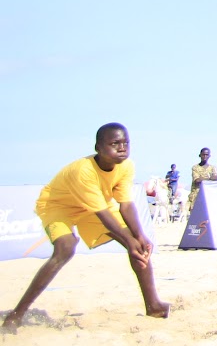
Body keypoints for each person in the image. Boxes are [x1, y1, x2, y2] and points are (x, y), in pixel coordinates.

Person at [4, 124, 169, 329]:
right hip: (58, 205)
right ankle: (16, 314)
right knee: (65, 248)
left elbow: (126, 205)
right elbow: (102, 213)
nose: (122, 148)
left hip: (91, 207)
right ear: (98, 148)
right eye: (114, 143)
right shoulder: (84, 170)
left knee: (138, 244)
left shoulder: (126, 166)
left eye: (126, 143)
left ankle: (154, 306)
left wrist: (139, 236)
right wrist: (129, 239)